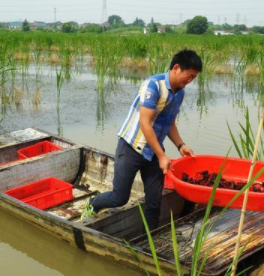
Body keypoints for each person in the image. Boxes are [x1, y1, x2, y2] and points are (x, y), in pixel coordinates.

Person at [82, 49, 203, 230]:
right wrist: (162, 156)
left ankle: (151, 240)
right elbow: (145, 123)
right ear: (177, 68)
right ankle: (93, 204)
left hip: (153, 150)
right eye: (189, 76)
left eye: (193, 78)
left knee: (154, 202)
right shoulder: (153, 85)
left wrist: (181, 145)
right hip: (131, 147)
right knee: (119, 198)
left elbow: (170, 124)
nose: (190, 81)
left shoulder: (180, 93)